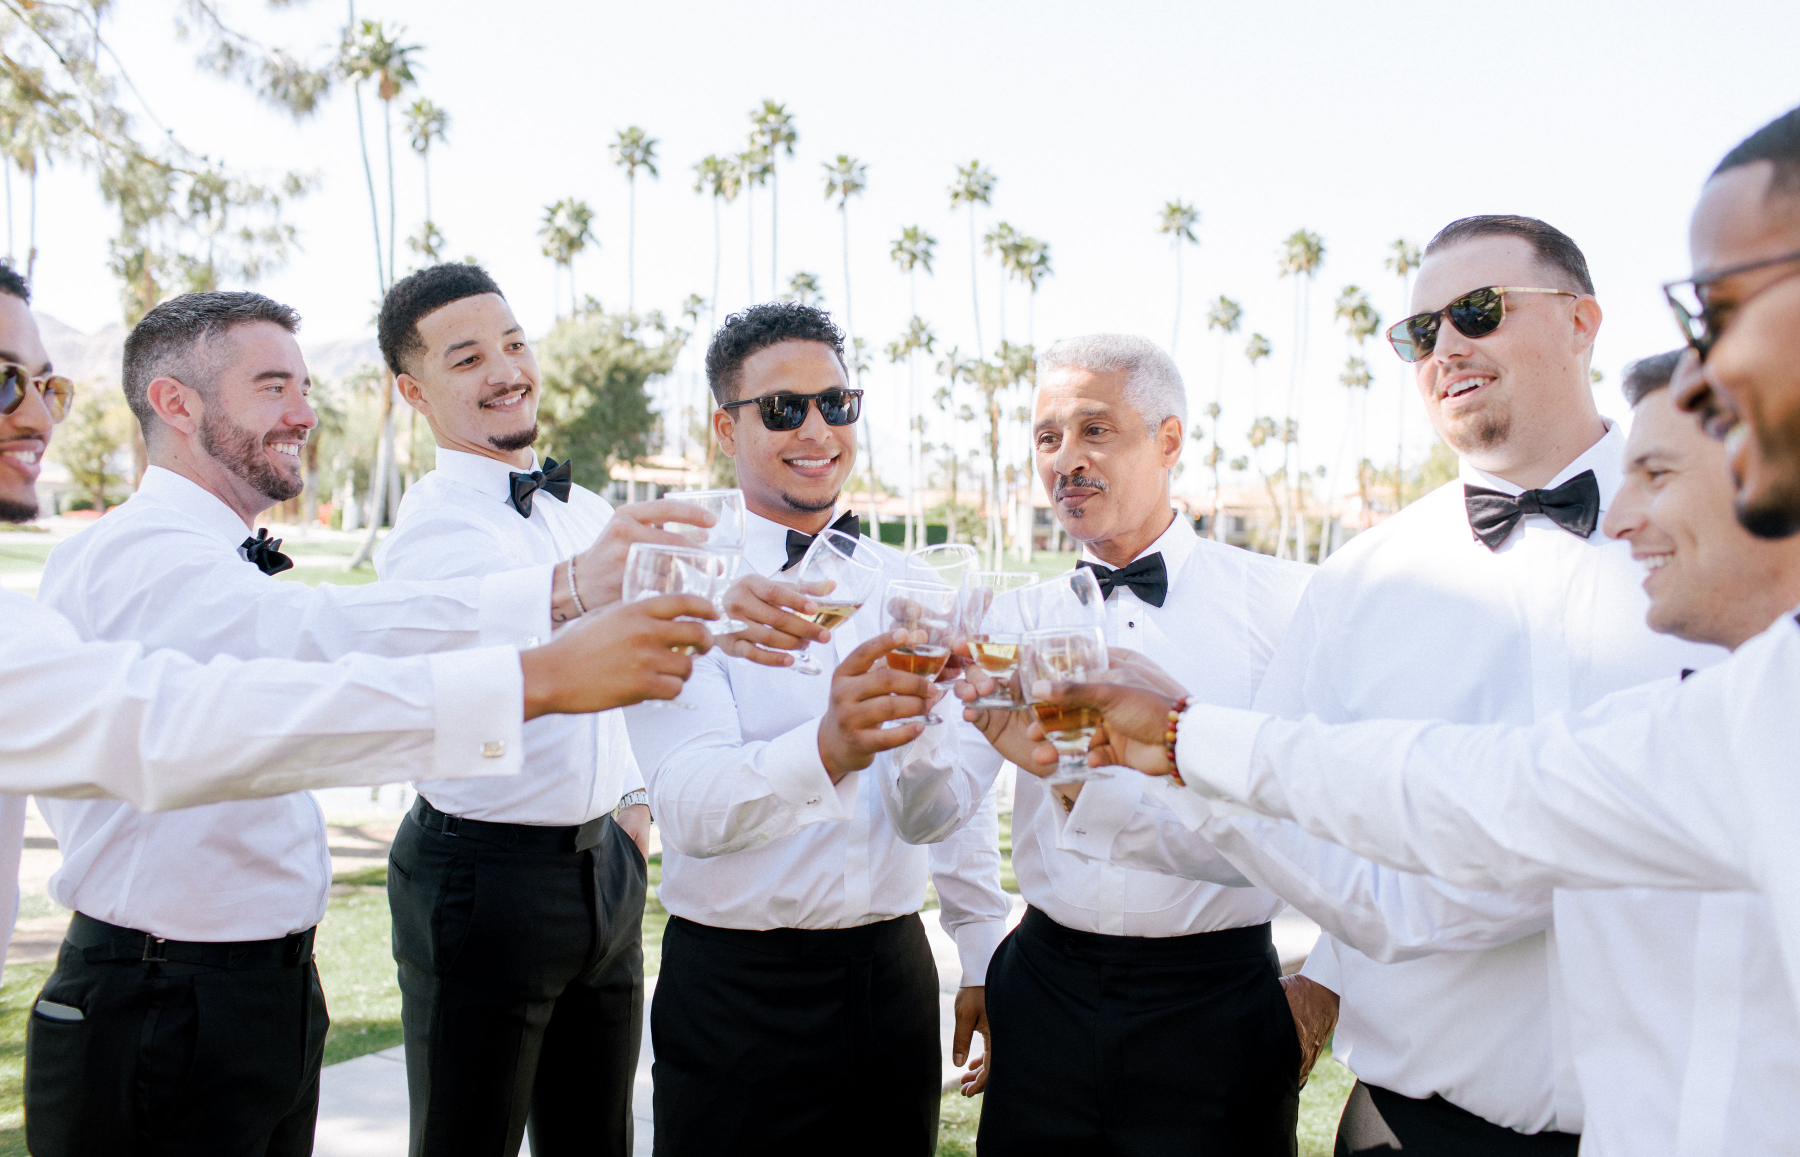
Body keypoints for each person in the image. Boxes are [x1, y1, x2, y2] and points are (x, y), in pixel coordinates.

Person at [1037, 104, 1800, 1148]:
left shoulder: (1734, 549)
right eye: (1418, 331)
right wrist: (1134, 766)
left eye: (1478, 310)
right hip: (1420, 1123)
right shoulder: (1357, 582)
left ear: (1583, 320)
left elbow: (1481, 832)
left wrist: (1184, 741)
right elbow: (1431, 798)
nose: (1443, 346)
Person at [26, 287, 714, 1157]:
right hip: (162, 995)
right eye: (275, 387)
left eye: (305, 388)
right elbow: (318, 647)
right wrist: (552, 628)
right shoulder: (134, 556)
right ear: (175, 404)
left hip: (257, 987)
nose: (306, 414)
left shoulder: (212, 556)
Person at [374, 263, 773, 1157]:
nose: (506, 370)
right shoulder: (433, 530)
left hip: (605, 870)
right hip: (484, 884)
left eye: (514, 344)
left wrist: (631, 803)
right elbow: (459, 683)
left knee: (598, 1139)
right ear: (414, 390)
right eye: (468, 357)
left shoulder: (585, 507)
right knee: (462, 1139)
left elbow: (640, 650)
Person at [622, 303, 1010, 1157]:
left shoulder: (910, 582)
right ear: (726, 427)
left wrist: (981, 946)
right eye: (784, 409)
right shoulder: (677, 583)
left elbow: (955, 791)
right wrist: (830, 746)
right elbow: (689, 807)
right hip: (736, 991)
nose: (817, 429)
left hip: (891, 978)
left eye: (837, 404)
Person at [949, 335, 1316, 1154]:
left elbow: (1337, 818)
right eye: (1047, 438)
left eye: (1094, 431)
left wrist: (1328, 983)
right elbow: (943, 807)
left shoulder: (1284, 605)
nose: (1065, 459)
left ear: (1169, 440)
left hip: (1218, 1002)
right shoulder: (1010, 620)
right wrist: (980, 953)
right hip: (1044, 986)